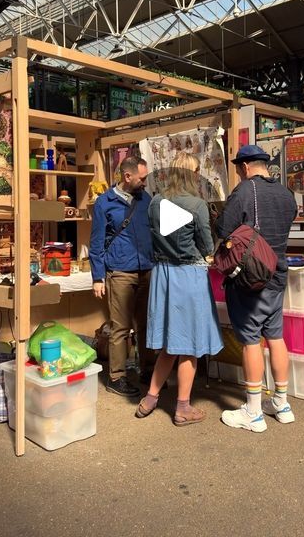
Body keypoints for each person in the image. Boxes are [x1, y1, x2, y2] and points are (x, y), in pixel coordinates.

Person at [135, 152, 223, 426]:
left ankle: (150, 398)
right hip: (188, 276)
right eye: (196, 171)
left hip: (162, 276)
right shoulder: (197, 205)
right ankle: (182, 408)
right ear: (191, 174)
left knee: (169, 344)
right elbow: (208, 248)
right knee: (190, 346)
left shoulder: (155, 203)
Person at [215, 144, 297, 432]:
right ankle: (281, 404)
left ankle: (252, 411)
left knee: (251, 340)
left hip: (251, 277)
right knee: (275, 336)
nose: (239, 173)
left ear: (246, 167)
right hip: (278, 273)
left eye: (239, 169)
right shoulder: (286, 193)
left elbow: (223, 228)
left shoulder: (245, 190)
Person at [89, 156, 154, 397]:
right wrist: (98, 277)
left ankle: (148, 369)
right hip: (120, 272)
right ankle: (117, 377)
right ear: (128, 176)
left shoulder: (145, 200)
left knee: (147, 323)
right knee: (121, 327)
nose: (145, 182)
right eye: (142, 178)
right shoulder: (104, 203)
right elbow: (96, 242)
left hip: (147, 269)